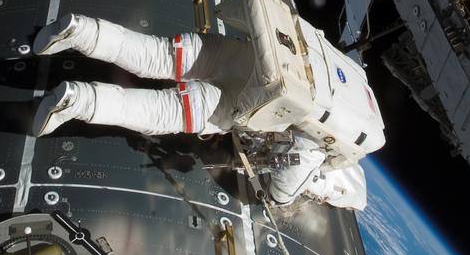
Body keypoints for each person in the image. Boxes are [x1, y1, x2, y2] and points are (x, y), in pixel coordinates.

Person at [30, 13, 375, 210]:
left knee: (154, 54)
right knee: (158, 112)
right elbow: (283, 191)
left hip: (232, 52)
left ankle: (80, 29)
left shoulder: (350, 80)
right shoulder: (331, 139)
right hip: (233, 99)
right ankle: (76, 99)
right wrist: (282, 198)